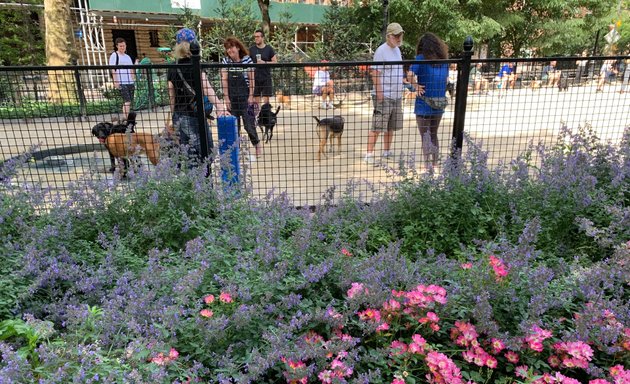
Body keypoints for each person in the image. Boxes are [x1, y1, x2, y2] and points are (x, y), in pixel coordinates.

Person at [167, 28, 228, 165]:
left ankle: (193, 183)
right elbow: (206, 88)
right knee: (206, 150)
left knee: (188, 152)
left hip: (180, 115)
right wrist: (219, 106)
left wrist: (174, 114)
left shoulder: (173, 67)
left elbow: (171, 93)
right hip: (195, 114)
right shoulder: (196, 64)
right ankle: (205, 181)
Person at [363, 22, 405, 164]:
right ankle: (369, 154)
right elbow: (375, 73)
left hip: (396, 95)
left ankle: (386, 151)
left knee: (391, 126)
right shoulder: (381, 51)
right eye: (396, 35)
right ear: (389, 36)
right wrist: (379, 93)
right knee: (378, 126)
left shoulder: (397, 50)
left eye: (400, 35)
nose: (399, 38)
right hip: (384, 94)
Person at [410, 32, 449, 170]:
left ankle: (427, 165)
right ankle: (435, 163)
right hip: (439, 102)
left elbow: (409, 74)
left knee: (425, 135)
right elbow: (446, 80)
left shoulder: (420, 59)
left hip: (423, 102)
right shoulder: (444, 61)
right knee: (434, 134)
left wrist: (414, 86)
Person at [221, 36, 262, 157]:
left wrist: (251, 96)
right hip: (232, 98)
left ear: (238, 47)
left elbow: (252, 79)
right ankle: (235, 150)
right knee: (234, 125)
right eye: (227, 48)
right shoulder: (225, 62)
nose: (230, 50)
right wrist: (226, 98)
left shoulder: (247, 60)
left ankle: (257, 145)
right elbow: (224, 79)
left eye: (231, 47)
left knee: (249, 124)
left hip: (245, 97)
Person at [249, 29, 277, 105]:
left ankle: (266, 116)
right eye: (255, 37)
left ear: (263, 38)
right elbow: (247, 62)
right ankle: (258, 116)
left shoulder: (269, 49)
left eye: (258, 37)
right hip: (255, 78)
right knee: (257, 103)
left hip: (266, 77)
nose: (256, 38)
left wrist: (264, 62)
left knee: (266, 103)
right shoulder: (252, 49)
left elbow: (275, 62)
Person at [109, 37, 135, 117]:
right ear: (117, 46)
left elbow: (131, 68)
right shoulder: (114, 55)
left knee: (129, 101)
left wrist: (133, 79)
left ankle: (126, 117)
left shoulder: (127, 56)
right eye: (120, 46)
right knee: (127, 101)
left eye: (124, 45)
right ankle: (126, 118)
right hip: (121, 81)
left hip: (130, 81)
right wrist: (115, 81)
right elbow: (112, 69)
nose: (122, 47)